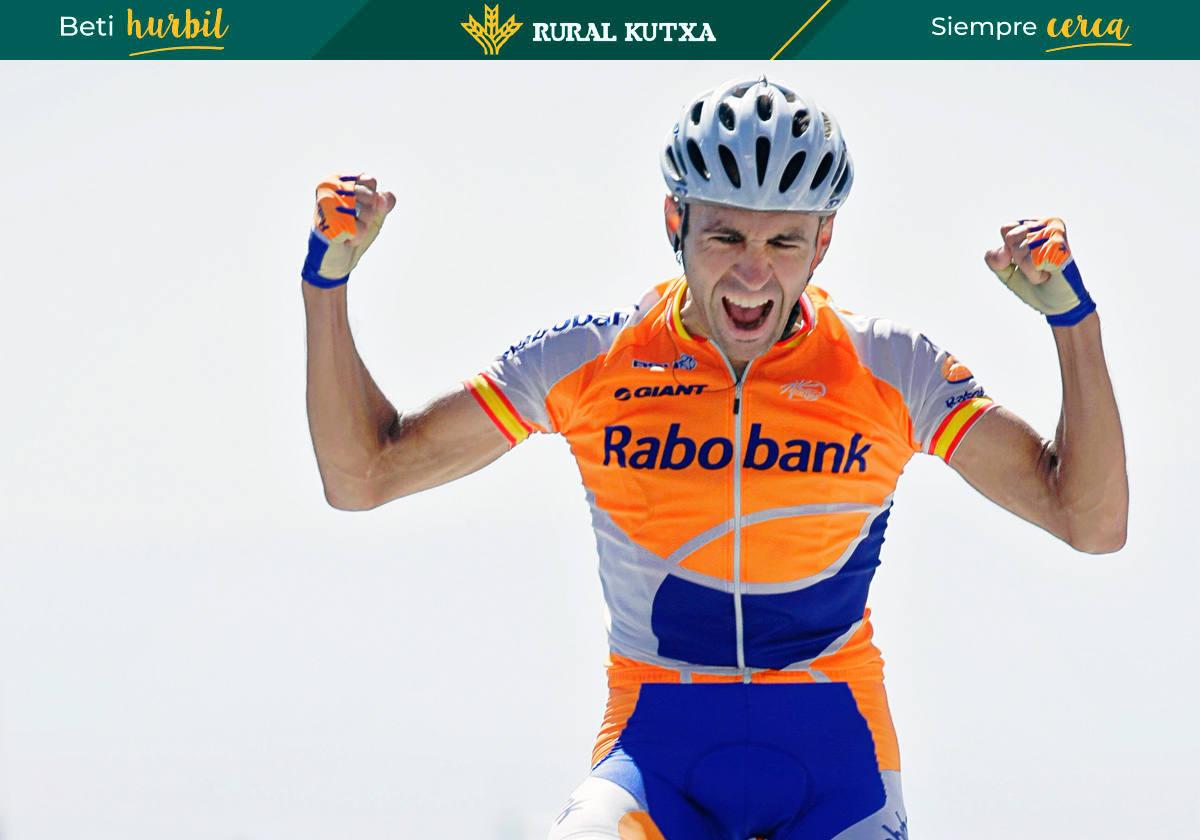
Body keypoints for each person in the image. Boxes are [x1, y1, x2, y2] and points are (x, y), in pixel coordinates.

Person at [300, 76, 1128, 839]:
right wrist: (326, 286)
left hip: (837, 764)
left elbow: (1089, 521)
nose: (753, 274)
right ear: (676, 223)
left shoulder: (891, 370)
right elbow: (363, 477)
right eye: (726, 235)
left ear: (825, 241)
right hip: (654, 756)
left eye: (786, 243)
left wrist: (1073, 322)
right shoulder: (591, 361)